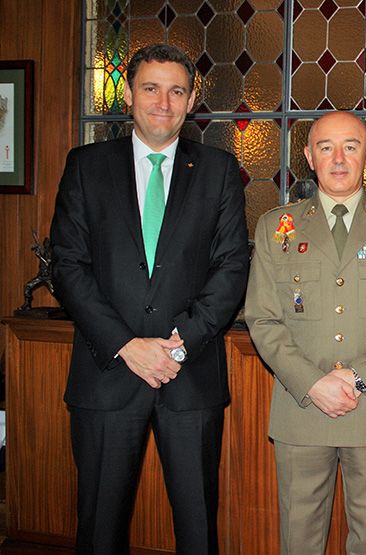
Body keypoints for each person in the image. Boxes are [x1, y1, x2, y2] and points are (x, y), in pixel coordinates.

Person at [50, 43, 249, 554]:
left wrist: (178, 344)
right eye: (152, 88)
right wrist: (126, 345)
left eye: (177, 90)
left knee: (198, 530)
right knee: (99, 531)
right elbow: (68, 266)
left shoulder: (218, 170)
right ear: (129, 96)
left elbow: (231, 268)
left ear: (191, 100)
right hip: (108, 374)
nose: (164, 101)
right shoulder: (86, 166)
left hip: (190, 376)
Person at [245, 111, 366, 555]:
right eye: (326, 147)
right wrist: (313, 382)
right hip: (302, 408)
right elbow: (263, 317)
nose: (338, 158)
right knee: (300, 537)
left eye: (351, 146)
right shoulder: (277, 228)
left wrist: (359, 377)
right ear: (309, 156)